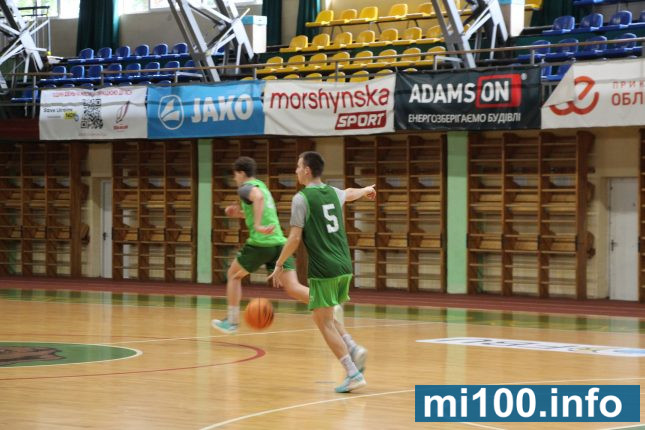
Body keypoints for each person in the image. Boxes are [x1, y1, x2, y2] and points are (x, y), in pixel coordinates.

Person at [269, 151, 375, 393]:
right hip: (344, 265)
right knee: (322, 317)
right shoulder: (332, 192)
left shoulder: (301, 199)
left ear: (307, 170)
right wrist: (366, 190)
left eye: (298, 166)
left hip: (324, 268)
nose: (296, 171)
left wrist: (279, 263)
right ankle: (352, 347)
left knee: (324, 322)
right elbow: (349, 193)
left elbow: (294, 238)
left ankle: (352, 372)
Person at [211, 156, 309, 334]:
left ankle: (232, 322)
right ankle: (330, 304)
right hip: (279, 243)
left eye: (235, 175)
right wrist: (239, 214)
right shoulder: (262, 185)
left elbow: (258, 198)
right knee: (293, 288)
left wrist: (257, 226)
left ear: (241, 173)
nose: (235, 178)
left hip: (261, 244)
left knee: (233, 275)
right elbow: (261, 205)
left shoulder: (245, 188)